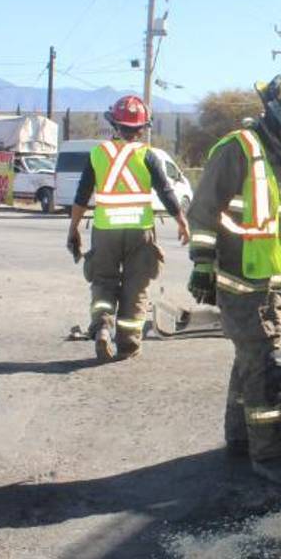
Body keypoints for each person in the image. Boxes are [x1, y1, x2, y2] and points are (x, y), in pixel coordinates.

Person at [185, 74, 281, 487]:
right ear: (274, 114)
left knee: (250, 362)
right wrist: (202, 262)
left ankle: (240, 437)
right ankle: (273, 454)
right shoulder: (239, 150)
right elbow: (204, 211)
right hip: (245, 285)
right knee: (267, 367)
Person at [66, 95, 190, 362]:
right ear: (143, 127)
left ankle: (101, 327)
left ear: (114, 124)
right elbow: (166, 192)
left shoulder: (98, 154)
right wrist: (182, 221)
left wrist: (73, 228)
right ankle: (128, 345)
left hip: (105, 231)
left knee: (103, 283)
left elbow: (81, 195)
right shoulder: (148, 156)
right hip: (139, 233)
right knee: (136, 288)